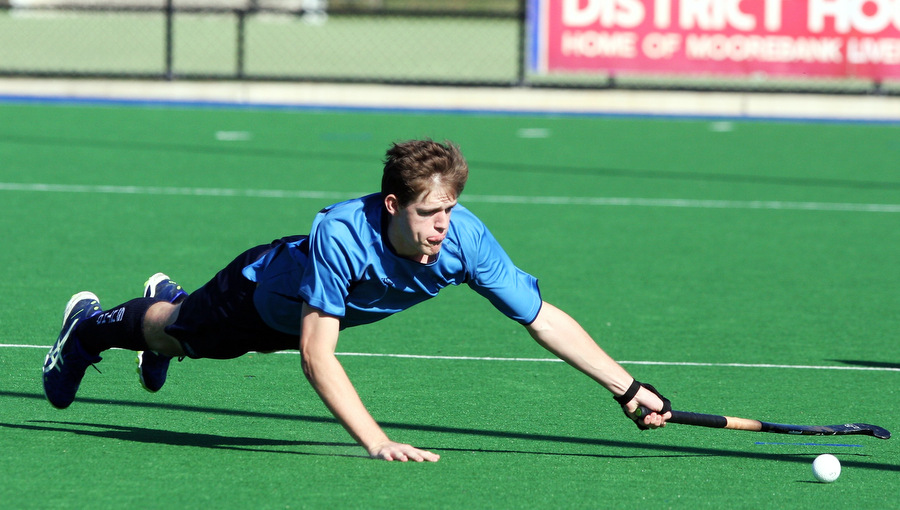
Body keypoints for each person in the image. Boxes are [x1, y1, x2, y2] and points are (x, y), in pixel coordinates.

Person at [42, 139, 672, 462]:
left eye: (450, 210)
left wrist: (626, 387)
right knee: (180, 333)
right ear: (393, 205)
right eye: (429, 213)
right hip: (260, 295)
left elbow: (543, 318)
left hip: (298, 311)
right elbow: (317, 357)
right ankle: (90, 328)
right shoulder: (342, 234)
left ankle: (165, 313)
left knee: (182, 340)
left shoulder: (466, 239)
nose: (442, 227)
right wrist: (375, 439)